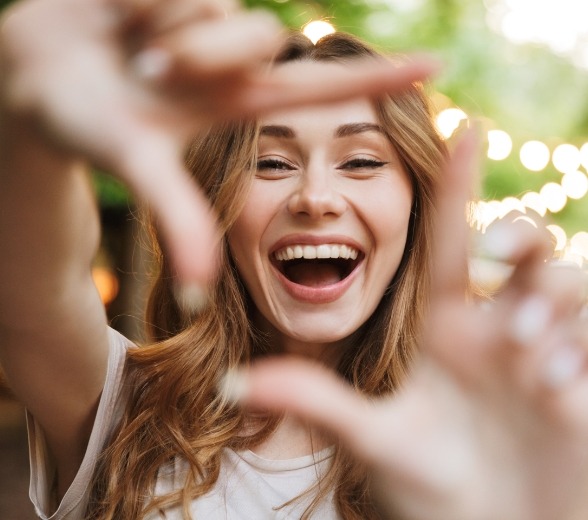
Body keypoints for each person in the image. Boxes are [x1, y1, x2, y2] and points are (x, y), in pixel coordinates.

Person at [1, 1, 587, 520]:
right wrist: (27, 129)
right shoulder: (124, 406)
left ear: (417, 207)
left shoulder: (500, 431)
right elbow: (30, 288)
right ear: (220, 204)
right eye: (272, 163)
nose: (315, 198)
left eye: (361, 161)